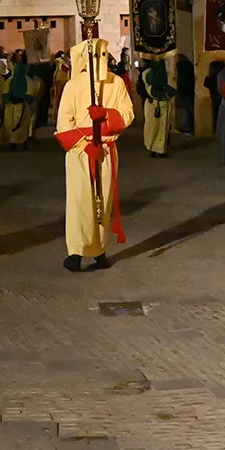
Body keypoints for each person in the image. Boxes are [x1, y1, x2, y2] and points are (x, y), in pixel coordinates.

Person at [57, 36, 134, 273]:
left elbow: (127, 114)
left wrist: (106, 115)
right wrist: (83, 145)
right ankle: (77, 252)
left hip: (106, 151)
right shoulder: (74, 86)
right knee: (81, 202)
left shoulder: (116, 83)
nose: (101, 61)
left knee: (104, 200)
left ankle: (100, 250)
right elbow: (63, 123)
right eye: (95, 56)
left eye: (103, 55)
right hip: (81, 152)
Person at [139, 57, 175, 157]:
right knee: (154, 127)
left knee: (160, 127)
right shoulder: (147, 73)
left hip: (158, 102)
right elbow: (151, 82)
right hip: (154, 102)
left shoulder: (154, 72)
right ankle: (154, 149)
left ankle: (158, 150)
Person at [4, 49, 36, 149]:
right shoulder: (11, 80)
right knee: (11, 124)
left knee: (22, 124)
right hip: (12, 106)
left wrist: (21, 99)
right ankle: (13, 142)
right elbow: (5, 93)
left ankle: (21, 142)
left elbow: (30, 94)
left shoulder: (26, 80)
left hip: (21, 106)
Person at [174, 54, 195, 135]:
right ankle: (188, 126)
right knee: (188, 108)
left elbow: (180, 78)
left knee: (186, 108)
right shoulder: (189, 65)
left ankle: (186, 127)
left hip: (184, 89)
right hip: (189, 88)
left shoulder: (180, 65)